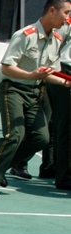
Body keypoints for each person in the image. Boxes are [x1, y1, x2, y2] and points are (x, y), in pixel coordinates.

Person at [0, 0, 71, 199]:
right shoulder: (25, 35)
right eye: (66, 12)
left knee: (41, 138)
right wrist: (31, 74)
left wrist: (65, 82)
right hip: (13, 90)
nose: (67, 18)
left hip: (34, 92)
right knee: (14, 135)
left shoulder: (57, 39)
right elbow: (7, 68)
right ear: (52, 10)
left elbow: (50, 73)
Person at [42, 16, 71, 189]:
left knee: (57, 125)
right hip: (64, 72)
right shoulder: (66, 23)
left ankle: (51, 167)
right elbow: (53, 44)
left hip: (61, 71)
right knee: (65, 126)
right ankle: (64, 175)